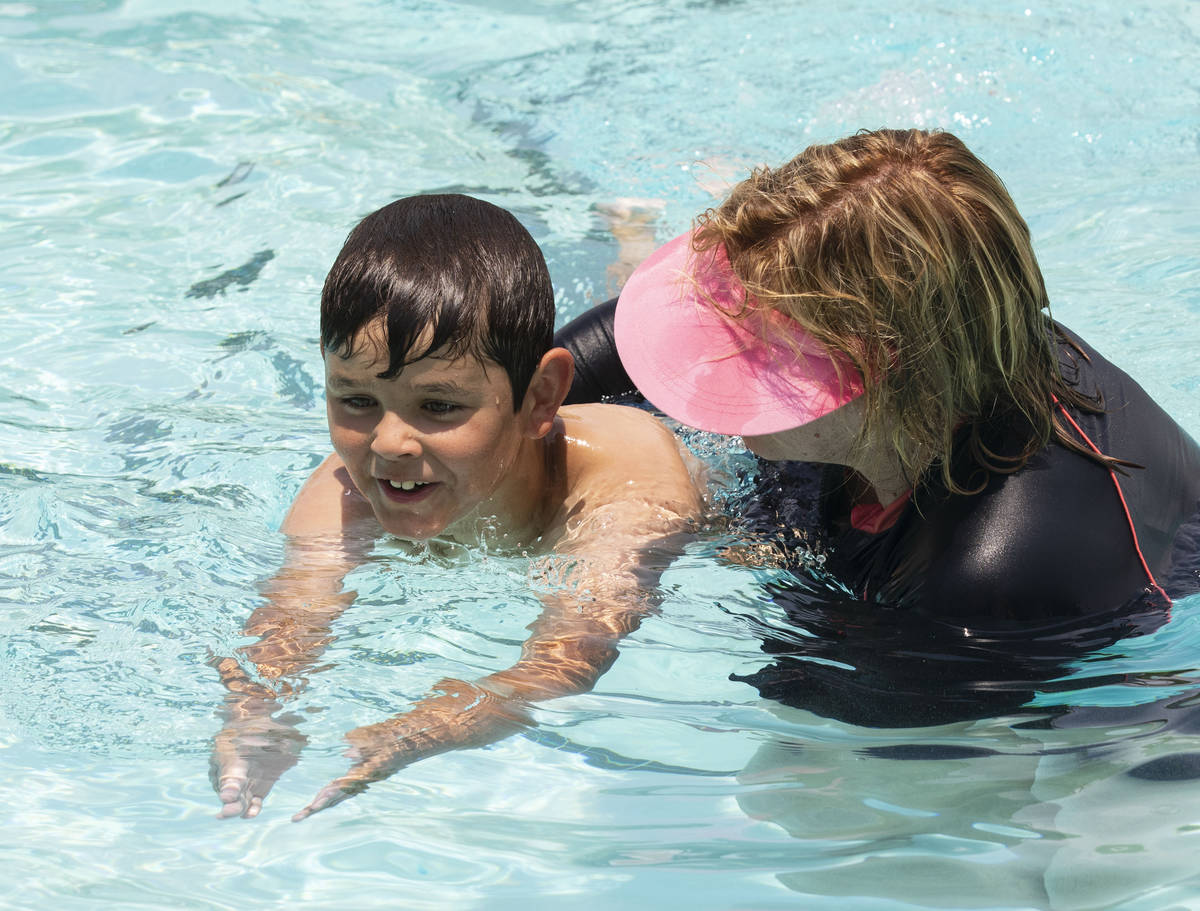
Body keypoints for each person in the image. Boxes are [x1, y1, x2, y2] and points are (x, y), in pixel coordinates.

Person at [556, 128, 1200, 721]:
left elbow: (830, 755)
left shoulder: (991, 574)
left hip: (1134, 709)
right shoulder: (953, 350)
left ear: (875, 360)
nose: (714, 365)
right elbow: (602, 352)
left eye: (755, 345)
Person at [210, 193, 705, 821]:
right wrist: (252, 717)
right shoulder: (343, 488)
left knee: (656, 320)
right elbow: (290, 620)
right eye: (356, 400)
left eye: (439, 407)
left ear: (541, 398)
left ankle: (639, 240)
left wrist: (430, 727)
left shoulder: (624, 476)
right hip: (513, 398)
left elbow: (572, 650)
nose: (388, 445)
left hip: (679, 416)